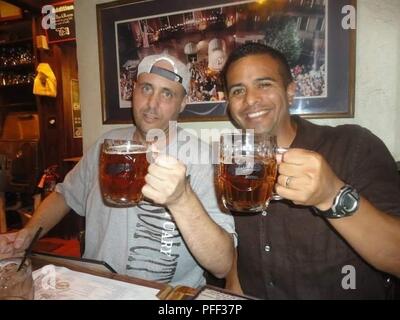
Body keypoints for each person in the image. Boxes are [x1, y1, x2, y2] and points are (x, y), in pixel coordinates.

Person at [0, 53, 236, 288]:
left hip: (167, 297)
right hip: (95, 288)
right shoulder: (107, 145)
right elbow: (64, 196)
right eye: (146, 88)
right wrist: (28, 234)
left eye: (167, 93)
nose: (152, 104)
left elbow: (222, 264)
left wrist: (182, 199)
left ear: (183, 102)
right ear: (133, 91)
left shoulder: (204, 159)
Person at [221, 42, 400, 299]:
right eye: (238, 90)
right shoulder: (231, 162)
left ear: (290, 91)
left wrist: (332, 195)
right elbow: (234, 236)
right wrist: (233, 278)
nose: (250, 100)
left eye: (264, 84)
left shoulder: (353, 145)